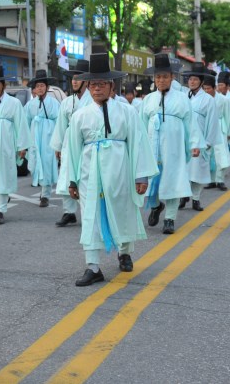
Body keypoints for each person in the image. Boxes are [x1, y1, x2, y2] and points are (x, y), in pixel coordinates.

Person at [67, 53, 157, 286]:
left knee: (122, 209)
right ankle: (93, 265)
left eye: (101, 84)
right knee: (91, 215)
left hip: (120, 170)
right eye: (93, 84)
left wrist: (141, 174)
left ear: (110, 85)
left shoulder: (127, 112)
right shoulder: (80, 116)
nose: (96, 89)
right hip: (90, 173)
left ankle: (124, 252)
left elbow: (139, 142)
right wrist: (72, 180)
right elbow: (72, 150)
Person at [140, 54, 196, 235]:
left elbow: (190, 123)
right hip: (151, 145)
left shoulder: (181, 99)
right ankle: (156, 206)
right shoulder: (148, 100)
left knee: (173, 178)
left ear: (172, 77)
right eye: (158, 77)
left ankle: (170, 218)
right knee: (150, 178)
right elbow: (141, 125)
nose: (161, 80)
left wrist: (194, 143)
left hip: (174, 146)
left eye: (165, 76)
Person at [0, 65, 31, 224]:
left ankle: (1, 209)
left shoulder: (14, 103)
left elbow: (21, 124)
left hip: (6, 143)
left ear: (3, 86)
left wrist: (22, 146)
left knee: (4, 174)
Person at [51, 61, 91, 227]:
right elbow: (61, 124)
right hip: (69, 141)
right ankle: (69, 212)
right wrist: (58, 146)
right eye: (72, 78)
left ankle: (88, 211)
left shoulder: (92, 99)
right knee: (68, 175)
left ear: (87, 81)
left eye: (78, 78)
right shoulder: (67, 102)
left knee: (85, 175)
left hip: (87, 140)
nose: (74, 81)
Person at [179, 62, 220, 212]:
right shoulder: (184, 97)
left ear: (201, 82)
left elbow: (213, 122)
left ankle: (195, 198)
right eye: (190, 79)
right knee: (183, 170)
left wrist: (208, 141)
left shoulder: (208, 100)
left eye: (195, 79)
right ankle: (183, 196)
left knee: (197, 171)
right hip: (184, 139)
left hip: (200, 139)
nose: (192, 82)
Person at [24, 69, 60, 207]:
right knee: (34, 162)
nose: (39, 88)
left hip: (49, 137)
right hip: (34, 136)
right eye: (37, 86)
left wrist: (58, 141)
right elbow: (26, 122)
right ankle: (42, 188)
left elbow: (59, 122)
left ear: (47, 87)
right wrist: (24, 142)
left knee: (47, 163)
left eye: (42, 86)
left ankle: (45, 194)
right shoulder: (30, 105)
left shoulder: (54, 103)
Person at [202, 72, 230, 192]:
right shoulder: (203, 100)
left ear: (214, 88)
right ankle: (211, 180)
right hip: (207, 128)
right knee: (208, 154)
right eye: (204, 88)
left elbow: (228, 116)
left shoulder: (223, 100)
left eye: (208, 88)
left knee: (220, 153)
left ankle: (220, 180)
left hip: (220, 128)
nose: (206, 91)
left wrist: (229, 131)